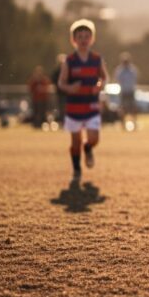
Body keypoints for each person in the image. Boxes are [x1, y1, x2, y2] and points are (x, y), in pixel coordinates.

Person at [58, 20, 108, 179]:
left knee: (94, 138)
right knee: (75, 142)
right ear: (74, 40)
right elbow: (61, 83)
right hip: (74, 107)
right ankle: (77, 168)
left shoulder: (97, 59)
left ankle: (88, 148)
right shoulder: (70, 61)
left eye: (87, 36)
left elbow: (104, 78)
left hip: (92, 104)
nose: (84, 39)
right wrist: (70, 88)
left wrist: (100, 85)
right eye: (80, 37)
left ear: (92, 38)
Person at [114, 52, 140, 131]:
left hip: (131, 92)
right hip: (124, 92)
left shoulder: (133, 70)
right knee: (122, 109)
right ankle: (123, 124)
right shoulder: (119, 70)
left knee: (133, 108)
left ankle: (134, 123)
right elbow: (118, 80)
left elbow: (135, 79)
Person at [27, 65, 51, 129]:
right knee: (36, 112)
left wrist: (42, 89)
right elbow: (30, 88)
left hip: (43, 99)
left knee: (42, 112)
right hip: (36, 99)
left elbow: (47, 87)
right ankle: (36, 125)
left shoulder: (44, 79)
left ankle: (41, 124)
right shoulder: (33, 80)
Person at [51, 54, 67, 126]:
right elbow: (53, 80)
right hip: (60, 93)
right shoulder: (56, 72)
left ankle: (68, 122)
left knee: (68, 108)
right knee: (61, 108)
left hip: (68, 93)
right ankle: (62, 121)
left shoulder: (68, 71)